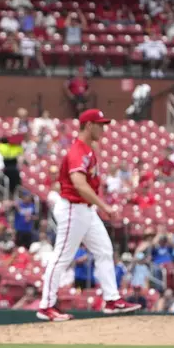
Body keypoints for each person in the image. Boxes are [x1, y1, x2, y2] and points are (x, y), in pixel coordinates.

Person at [37, 109, 141, 322]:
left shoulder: (87, 149)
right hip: (74, 209)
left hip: (85, 210)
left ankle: (112, 300)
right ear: (88, 125)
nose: (103, 128)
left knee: (104, 250)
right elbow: (79, 184)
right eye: (100, 124)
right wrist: (105, 207)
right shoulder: (77, 151)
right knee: (62, 257)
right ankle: (46, 306)